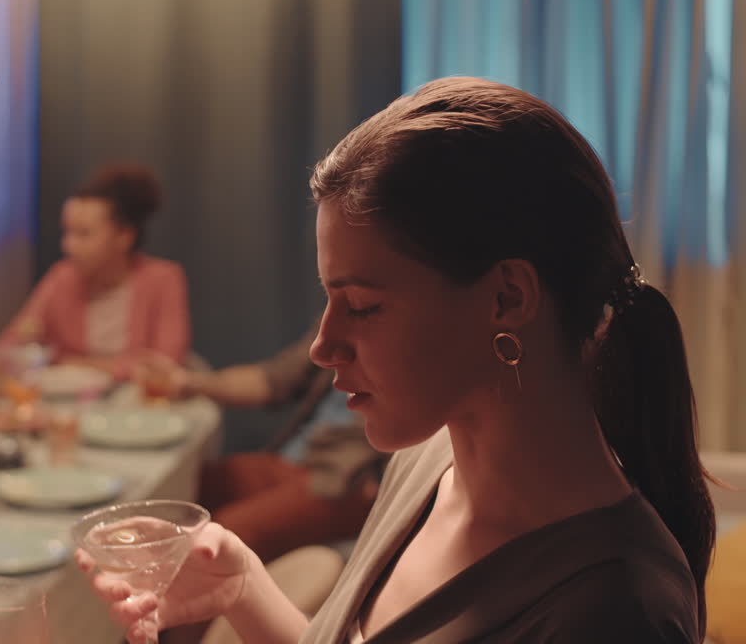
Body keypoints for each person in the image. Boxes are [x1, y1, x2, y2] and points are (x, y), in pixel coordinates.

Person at [77, 77, 715, 643]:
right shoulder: (427, 461)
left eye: (362, 306)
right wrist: (244, 587)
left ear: (507, 297)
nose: (324, 347)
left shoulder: (614, 612)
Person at [138, 322, 385, 565]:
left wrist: (385, 476)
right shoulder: (342, 314)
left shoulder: (405, 331)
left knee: (222, 536)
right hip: (293, 460)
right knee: (176, 494)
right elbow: (274, 379)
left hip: (344, 481)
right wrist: (188, 382)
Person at [0, 163, 190, 380]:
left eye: (83, 234)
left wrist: (68, 361)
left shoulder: (164, 279)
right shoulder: (62, 277)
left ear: (124, 236)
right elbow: (10, 342)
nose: (68, 245)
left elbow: (165, 366)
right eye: (67, 232)